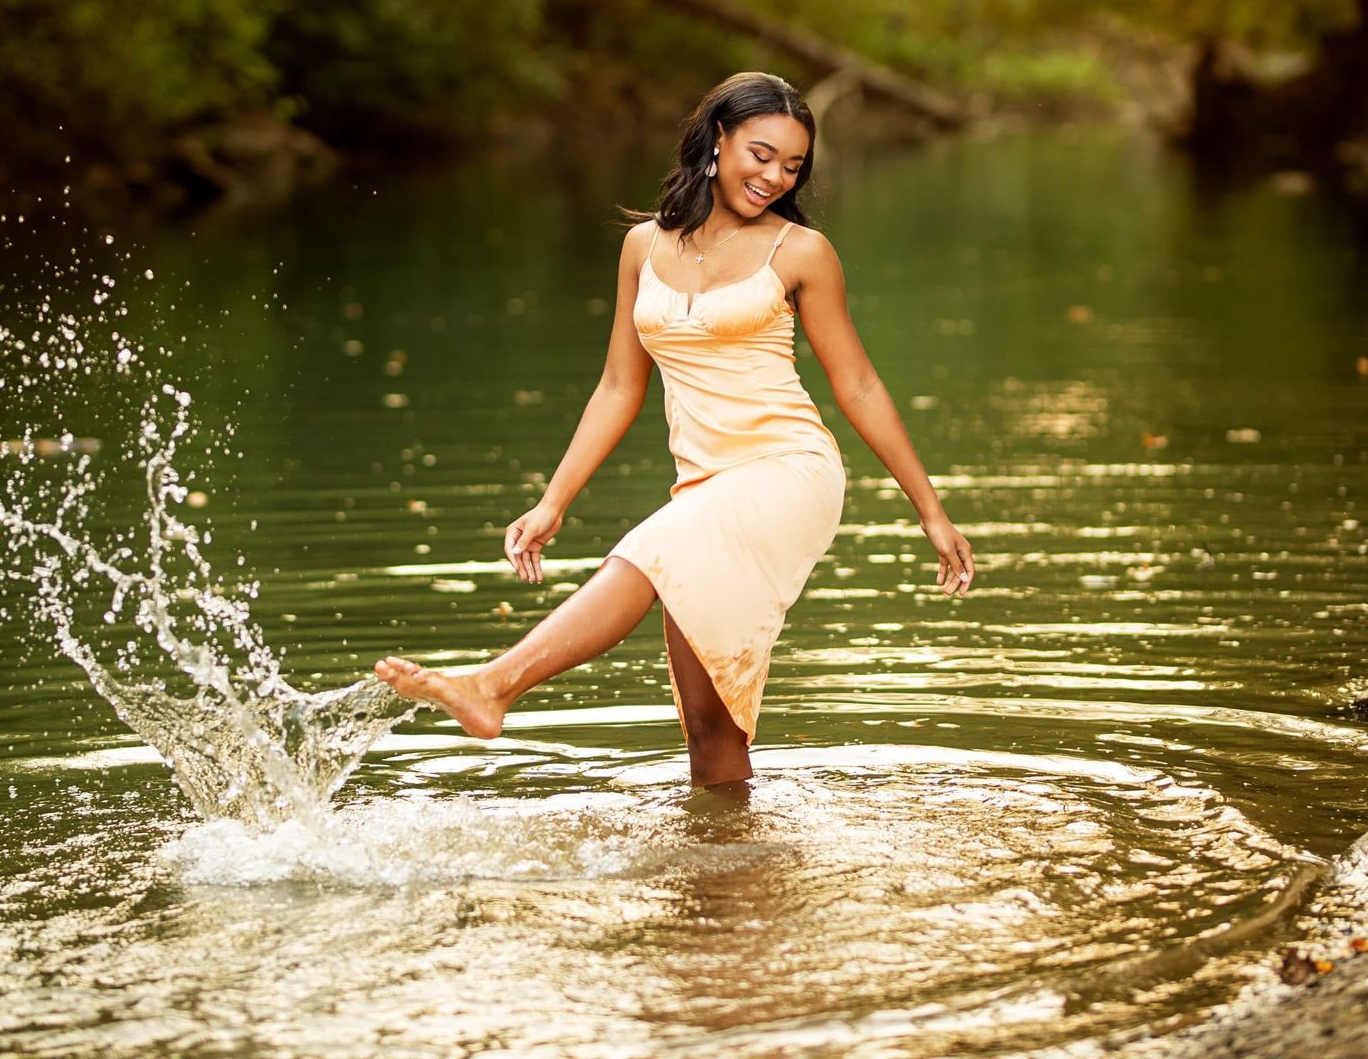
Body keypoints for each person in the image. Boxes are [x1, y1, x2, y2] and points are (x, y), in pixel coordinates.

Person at [374, 71, 972, 786]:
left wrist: (929, 510)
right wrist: (553, 501)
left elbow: (860, 384)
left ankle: (494, 685)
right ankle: (727, 877)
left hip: (788, 471)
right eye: (761, 154)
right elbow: (618, 387)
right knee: (709, 724)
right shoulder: (642, 248)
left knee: (647, 548)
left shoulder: (801, 253)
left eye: (793, 166)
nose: (775, 177)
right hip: (703, 487)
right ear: (717, 139)